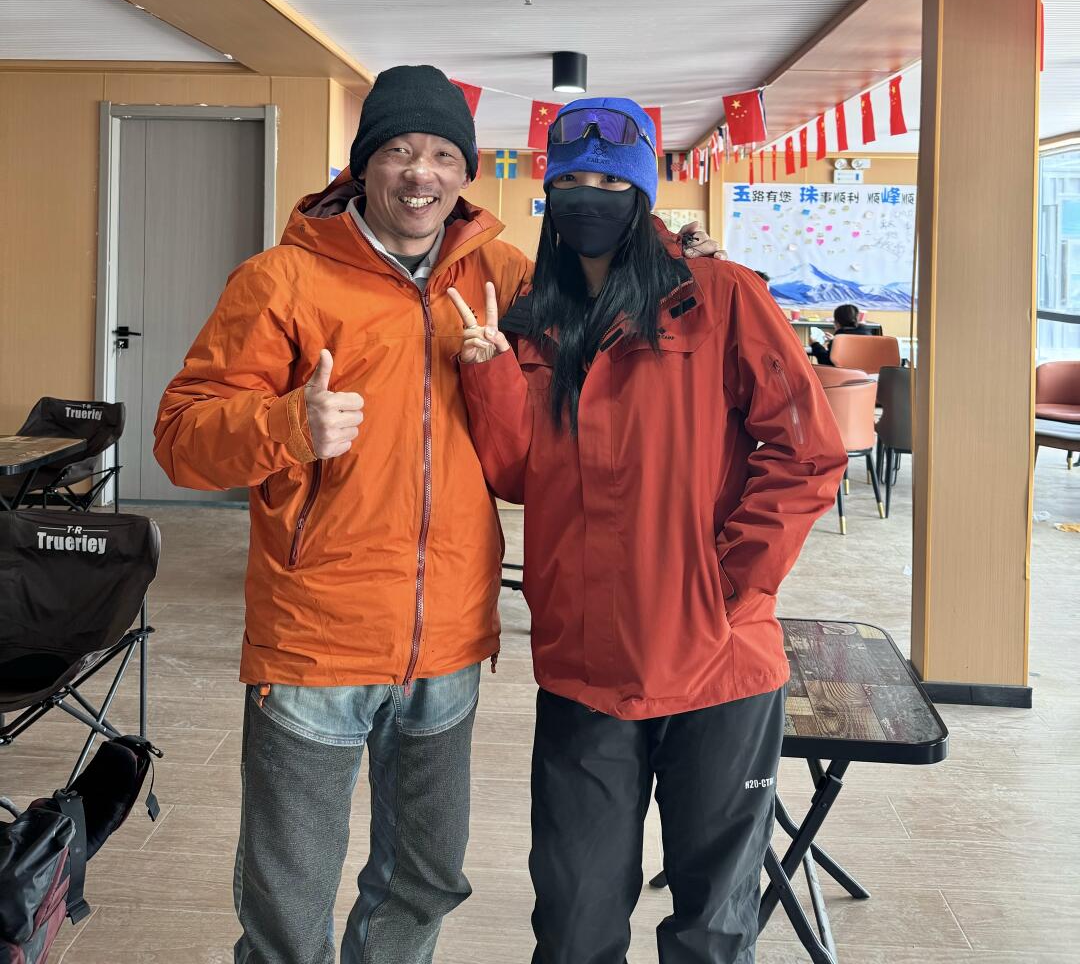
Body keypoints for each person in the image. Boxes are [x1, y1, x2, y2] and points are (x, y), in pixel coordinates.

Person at [153, 66, 719, 964]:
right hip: (316, 639)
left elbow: (609, 309)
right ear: (363, 166)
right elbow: (180, 438)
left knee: (424, 876)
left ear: (465, 173)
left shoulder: (505, 275)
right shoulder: (281, 281)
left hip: (450, 640)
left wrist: (679, 253)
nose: (421, 172)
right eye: (399, 150)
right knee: (289, 899)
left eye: (444, 155)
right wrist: (287, 425)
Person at [447, 95, 846, 964]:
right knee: (573, 923)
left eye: (609, 182)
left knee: (712, 927)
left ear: (641, 194)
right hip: (585, 659)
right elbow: (517, 474)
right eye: (572, 183)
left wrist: (733, 581)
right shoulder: (535, 316)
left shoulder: (721, 297)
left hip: (718, 660)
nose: (588, 199)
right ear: (550, 194)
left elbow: (808, 451)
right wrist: (488, 375)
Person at [808, 302, 878, 366]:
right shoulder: (868, 336)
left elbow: (825, 362)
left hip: (842, 375)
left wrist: (815, 345)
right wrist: (834, 339)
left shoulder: (838, 341)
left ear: (837, 323)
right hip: (867, 374)